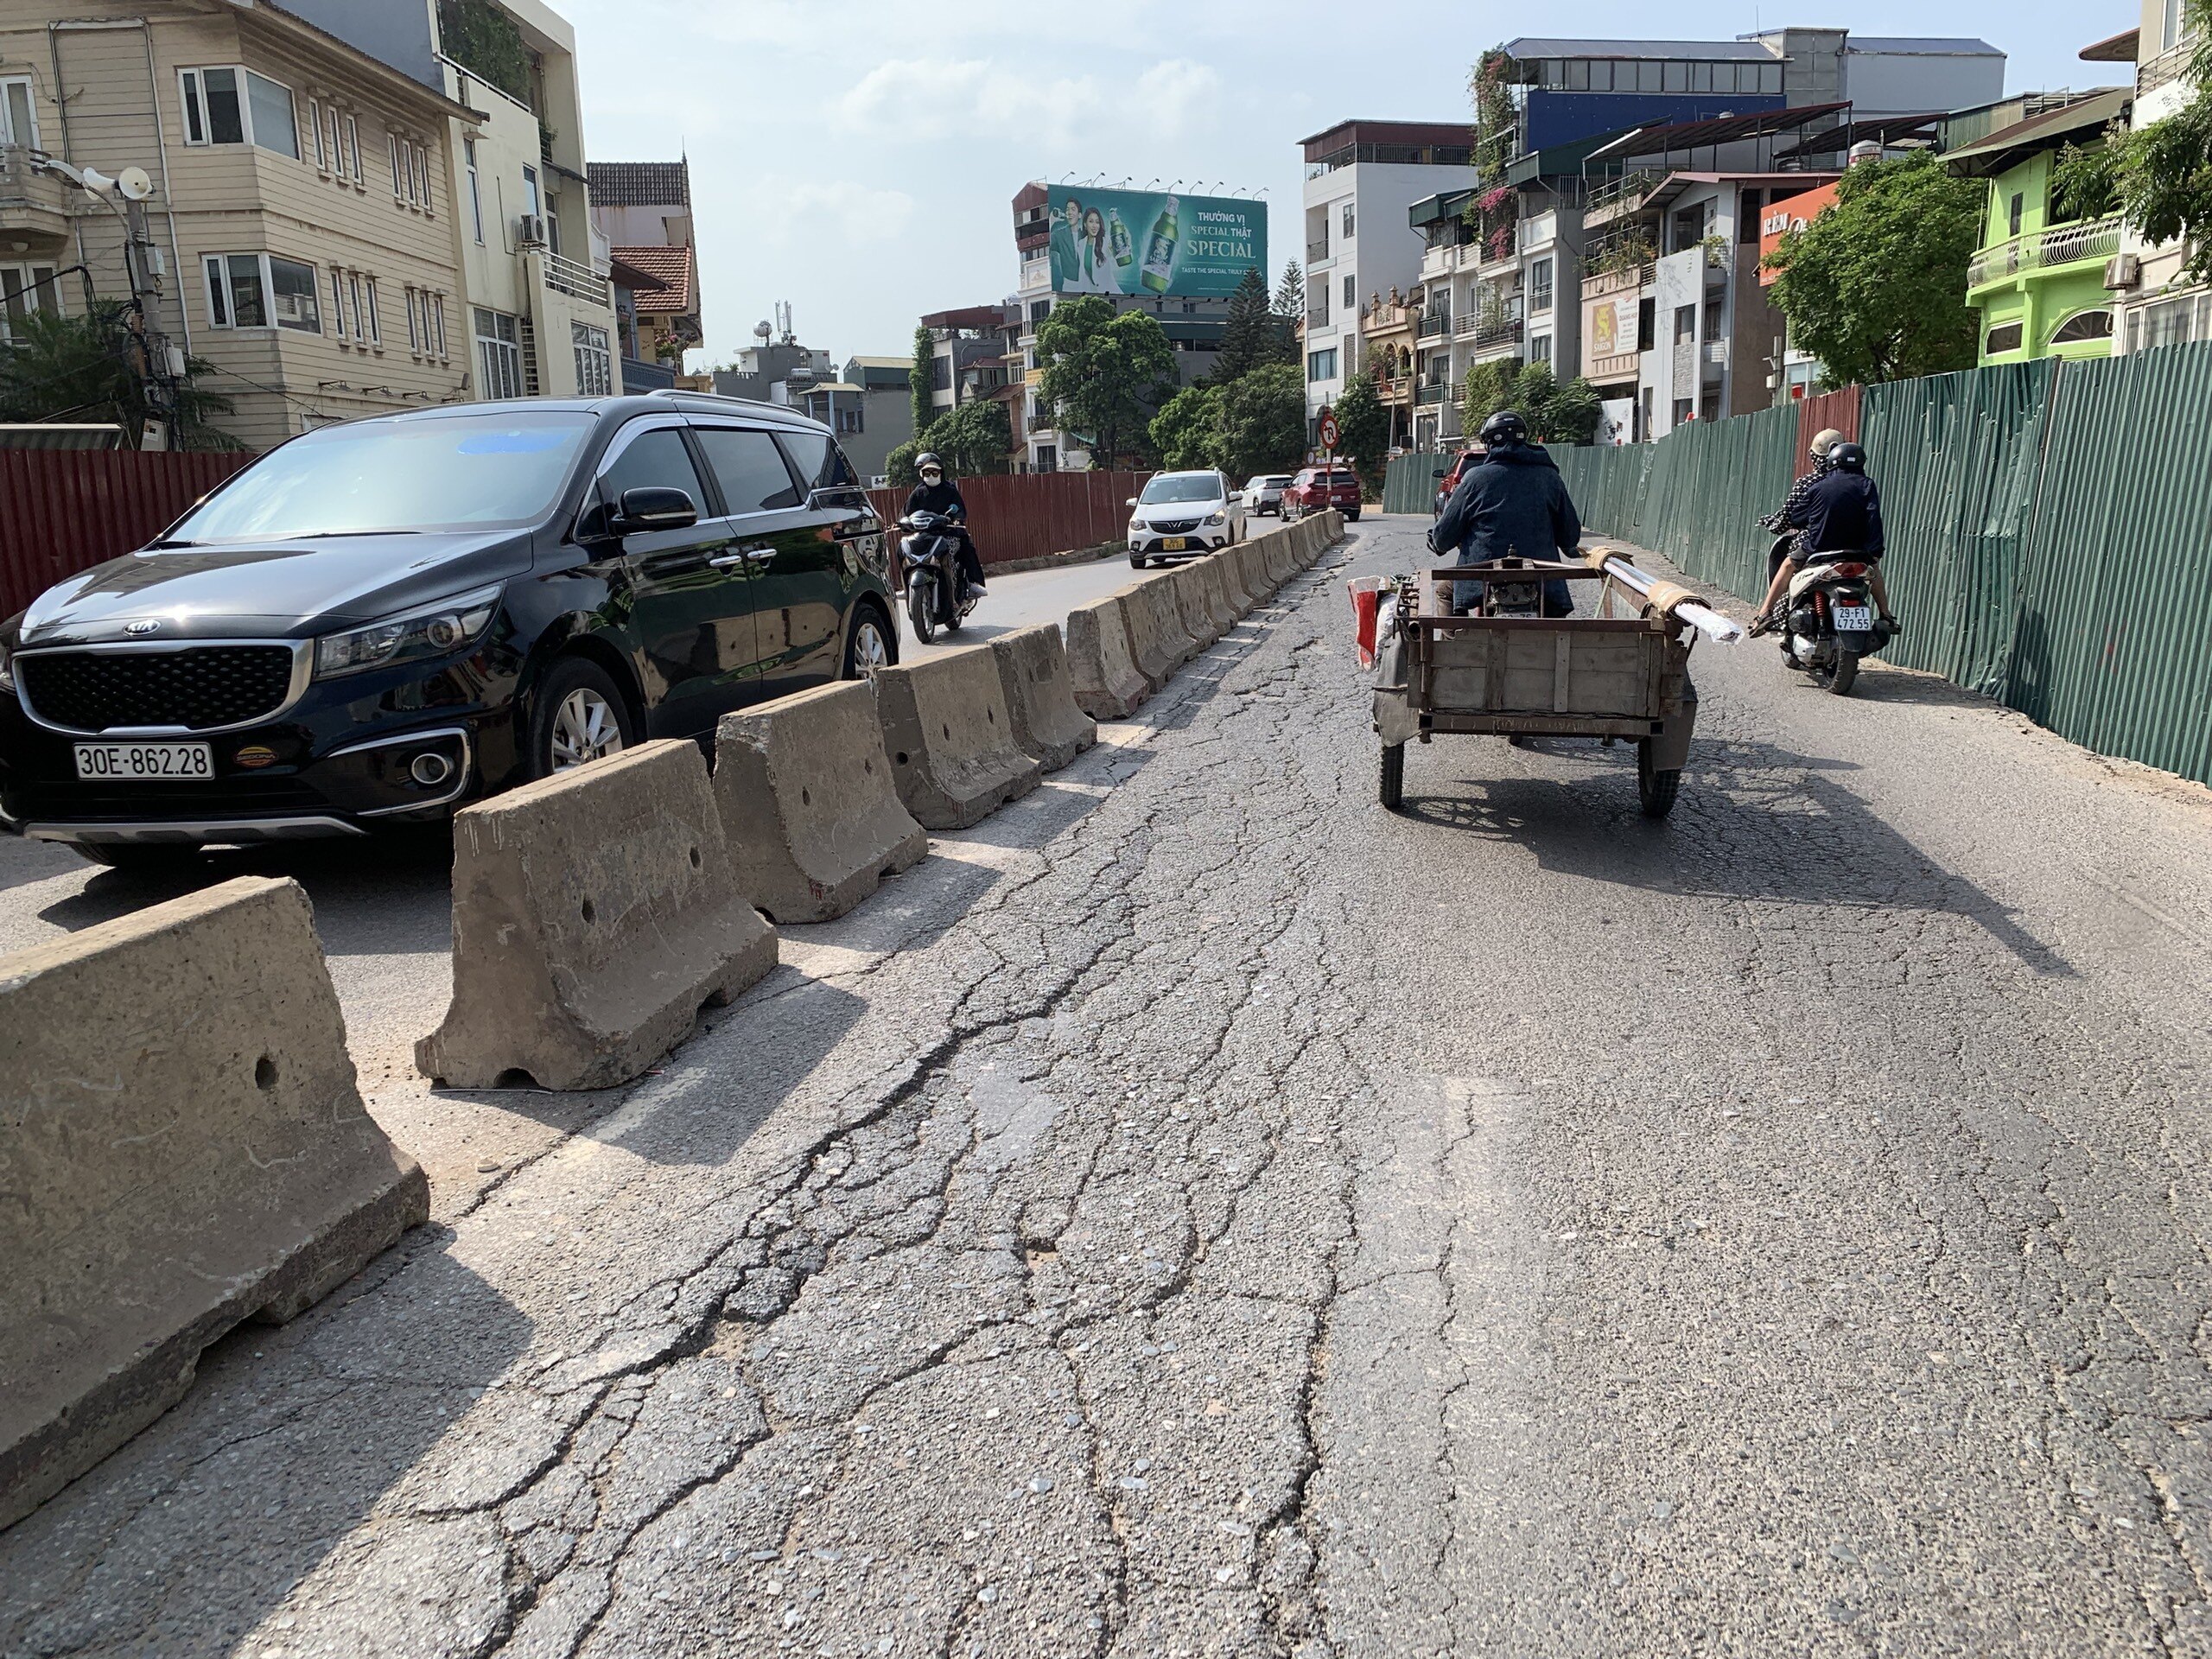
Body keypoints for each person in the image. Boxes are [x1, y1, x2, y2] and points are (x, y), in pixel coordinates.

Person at [1429, 410, 1581, 617]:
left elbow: (1443, 537)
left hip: (1484, 578)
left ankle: (1455, 643)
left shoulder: (1474, 478)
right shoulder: (1549, 476)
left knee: (1445, 592)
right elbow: (1571, 536)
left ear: (1488, 443)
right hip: (1543, 580)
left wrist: (1437, 542)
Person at [1750, 442, 1891, 634]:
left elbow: (1796, 517)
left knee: (1786, 566)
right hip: (1858, 551)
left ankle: (1765, 613)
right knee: (1874, 570)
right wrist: (1875, 551)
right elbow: (1874, 517)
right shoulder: (1867, 484)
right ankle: (1886, 615)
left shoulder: (1817, 486)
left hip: (1818, 549)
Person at [1760, 426, 1845, 584]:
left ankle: (1768, 608)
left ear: (1814, 456)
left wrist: (1772, 523)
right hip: (1852, 543)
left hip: (1815, 541)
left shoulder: (1808, 483)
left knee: (1788, 572)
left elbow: (1789, 517)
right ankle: (1884, 609)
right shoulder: (1857, 482)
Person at [905, 451, 986, 596]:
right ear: (921, 474)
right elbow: (907, 512)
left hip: (948, 533)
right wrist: (900, 522)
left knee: (965, 546)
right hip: (924, 535)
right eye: (926, 472)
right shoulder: (917, 493)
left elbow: (960, 509)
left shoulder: (950, 490)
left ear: (941, 472)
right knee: (904, 548)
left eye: (934, 472)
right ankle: (906, 587)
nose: (930, 475)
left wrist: (956, 519)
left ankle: (972, 584)